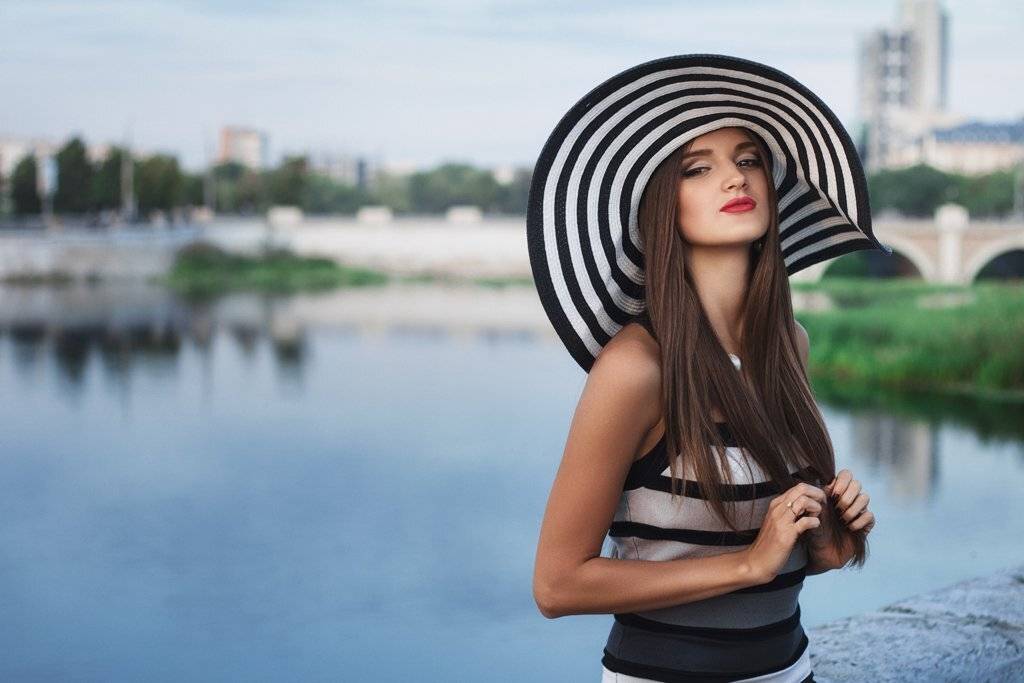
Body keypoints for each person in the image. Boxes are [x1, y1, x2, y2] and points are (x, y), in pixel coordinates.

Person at [526, 55, 882, 682]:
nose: (733, 178)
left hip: (794, 672)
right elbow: (557, 585)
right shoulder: (637, 368)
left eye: (748, 159)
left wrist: (830, 542)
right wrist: (747, 564)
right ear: (664, 206)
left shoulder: (788, 345)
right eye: (698, 167)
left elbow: (789, 557)